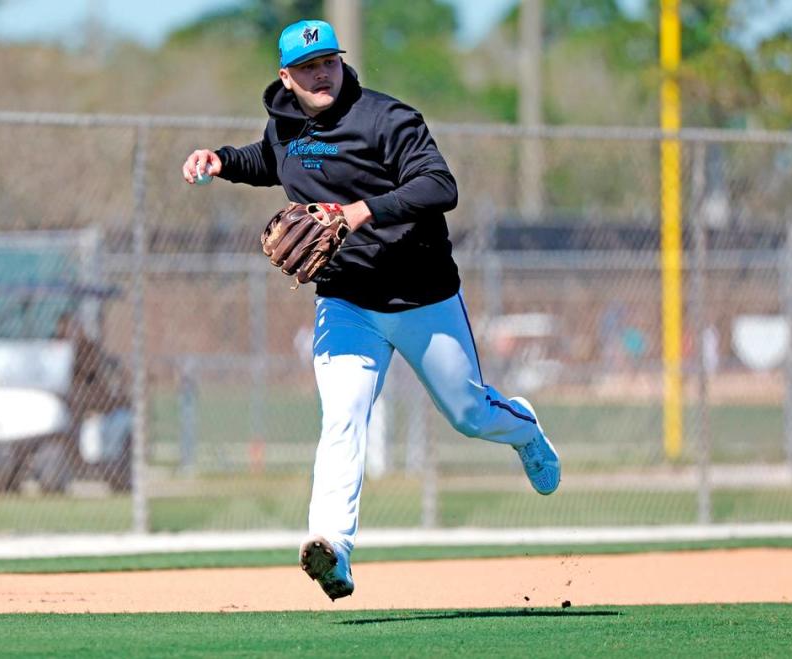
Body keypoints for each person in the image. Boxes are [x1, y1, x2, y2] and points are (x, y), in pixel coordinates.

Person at [181, 19, 560, 601]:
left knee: (468, 415)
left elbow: (440, 186)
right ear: (286, 78)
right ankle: (332, 546)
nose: (322, 72)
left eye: (329, 60)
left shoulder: (387, 118)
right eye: (308, 66)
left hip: (421, 295)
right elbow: (269, 159)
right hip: (346, 299)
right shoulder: (285, 126)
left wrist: (360, 211)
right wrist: (221, 160)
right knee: (343, 415)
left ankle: (524, 428)